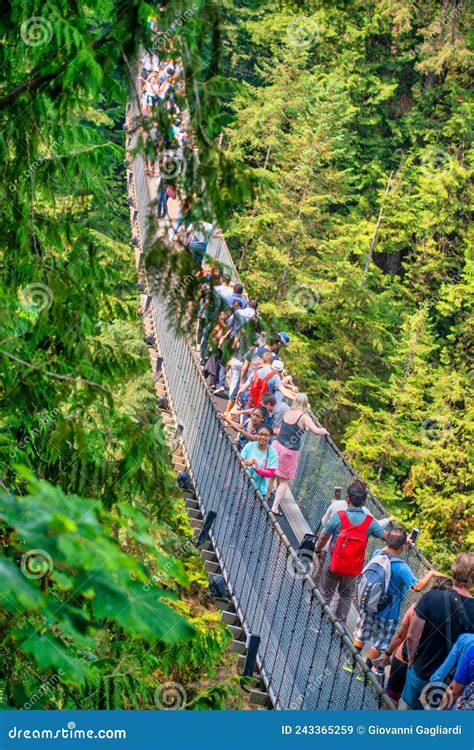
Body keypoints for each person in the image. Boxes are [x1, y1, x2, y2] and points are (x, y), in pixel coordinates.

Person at [350, 527, 446, 681]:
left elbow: (391, 545)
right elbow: (417, 587)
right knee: (379, 643)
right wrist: (431, 573)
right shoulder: (402, 567)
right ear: (403, 547)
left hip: (369, 605)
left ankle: (350, 663)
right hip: (388, 613)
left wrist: (401, 540)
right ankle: (365, 671)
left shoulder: (378, 554)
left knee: (361, 633)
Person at [400, 552, 474, 710]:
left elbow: (412, 635)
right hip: (451, 684)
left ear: (454, 570)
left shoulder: (431, 597)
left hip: (422, 669)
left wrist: (412, 659)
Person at [314, 480, 389, 625]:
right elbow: (386, 537)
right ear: (364, 502)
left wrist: (318, 550)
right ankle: (339, 626)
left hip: (333, 562)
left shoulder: (339, 517)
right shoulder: (369, 521)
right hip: (353, 568)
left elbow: (324, 536)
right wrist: (403, 539)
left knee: (325, 593)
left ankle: (318, 623)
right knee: (346, 595)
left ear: (348, 498)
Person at [266, 393, 328, 516]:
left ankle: (265, 496)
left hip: (277, 445)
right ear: (306, 404)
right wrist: (324, 431)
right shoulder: (304, 417)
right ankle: (274, 507)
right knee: (284, 480)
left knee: (272, 474)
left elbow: (296, 428)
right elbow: (316, 431)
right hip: (289, 451)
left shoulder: (287, 412)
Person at [240, 425, 278, 496]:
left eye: (266, 435)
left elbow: (270, 473)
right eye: (261, 434)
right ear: (256, 435)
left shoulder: (273, 453)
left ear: (270, 437)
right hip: (244, 484)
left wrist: (257, 469)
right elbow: (239, 461)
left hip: (260, 490)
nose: (263, 437)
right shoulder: (249, 446)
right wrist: (245, 462)